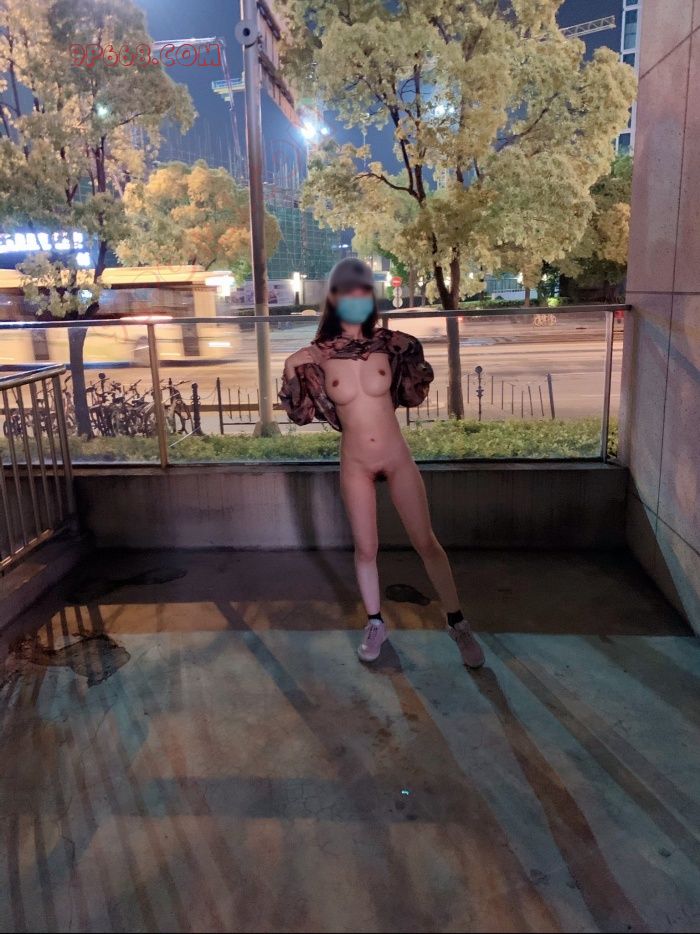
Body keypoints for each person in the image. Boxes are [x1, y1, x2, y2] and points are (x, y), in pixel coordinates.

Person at [279, 258, 484, 669]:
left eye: (362, 292)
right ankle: (375, 623)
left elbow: (415, 385)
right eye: (347, 292)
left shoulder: (388, 345)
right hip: (355, 462)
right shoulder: (318, 356)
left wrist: (399, 342)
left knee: (425, 541)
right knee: (366, 548)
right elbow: (300, 413)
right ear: (334, 298)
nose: (355, 299)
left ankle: (457, 623)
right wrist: (289, 367)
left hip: (395, 456)